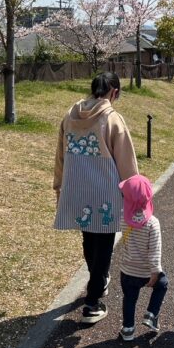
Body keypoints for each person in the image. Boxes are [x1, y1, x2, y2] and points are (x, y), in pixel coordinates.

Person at [53, 72, 138, 324]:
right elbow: (126, 160)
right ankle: (92, 303)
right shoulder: (112, 119)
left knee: (89, 239)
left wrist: (59, 185)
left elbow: (60, 154)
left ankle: (97, 282)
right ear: (114, 92)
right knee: (104, 245)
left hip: (76, 189)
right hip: (105, 192)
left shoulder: (70, 116)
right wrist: (135, 194)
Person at [117, 174, 168, 341]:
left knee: (130, 299)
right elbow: (155, 251)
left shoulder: (123, 217)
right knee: (162, 285)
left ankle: (128, 329)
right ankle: (151, 314)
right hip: (146, 271)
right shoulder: (152, 223)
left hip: (127, 270)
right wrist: (155, 272)